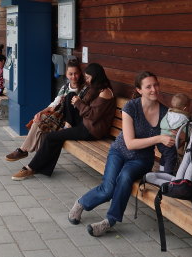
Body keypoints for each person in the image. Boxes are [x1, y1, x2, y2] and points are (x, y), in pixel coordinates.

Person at [67, 71, 175, 237]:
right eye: (148, 86)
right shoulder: (131, 107)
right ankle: (81, 203)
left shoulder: (165, 113)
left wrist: (166, 175)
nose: (154, 89)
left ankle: (109, 221)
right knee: (108, 188)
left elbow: (167, 147)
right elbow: (130, 143)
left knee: (124, 178)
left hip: (141, 160)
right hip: (119, 152)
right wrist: (159, 138)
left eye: (156, 85)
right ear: (139, 90)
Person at [11, 62, 115, 181]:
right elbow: (86, 108)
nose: (86, 80)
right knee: (70, 96)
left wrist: (78, 103)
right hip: (86, 123)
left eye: (88, 77)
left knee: (52, 137)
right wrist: (76, 101)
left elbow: (93, 115)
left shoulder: (105, 92)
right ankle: (68, 126)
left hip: (91, 130)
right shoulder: (95, 89)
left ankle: (31, 168)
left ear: (95, 76)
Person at [5, 59, 85, 162]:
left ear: (80, 73)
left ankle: (25, 151)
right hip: (59, 117)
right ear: (66, 74)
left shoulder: (84, 89)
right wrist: (41, 112)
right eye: (70, 74)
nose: (73, 77)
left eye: (76, 73)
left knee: (41, 124)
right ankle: (36, 157)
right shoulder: (65, 87)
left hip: (71, 122)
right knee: (39, 120)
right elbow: (54, 104)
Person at [157, 92, 190, 174]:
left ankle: (161, 170)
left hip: (161, 142)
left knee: (165, 156)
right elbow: (187, 134)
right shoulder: (184, 119)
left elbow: (162, 124)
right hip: (170, 143)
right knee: (171, 158)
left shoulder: (168, 114)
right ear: (185, 108)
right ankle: (167, 175)